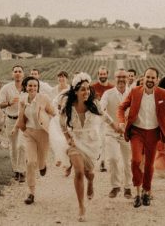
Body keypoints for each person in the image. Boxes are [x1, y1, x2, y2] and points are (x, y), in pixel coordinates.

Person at [117, 67, 165, 208]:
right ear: (143, 78)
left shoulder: (163, 93)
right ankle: (137, 192)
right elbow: (121, 107)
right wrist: (121, 122)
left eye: (152, 78)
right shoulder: (135, 92)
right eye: (147, 77)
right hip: (137, 132)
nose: (149, 80)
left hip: (153, 133)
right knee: (136, 160)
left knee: (149, 165)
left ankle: (146, 192)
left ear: (156, 79)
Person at [57, 73, 104, 222]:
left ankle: (90, 182)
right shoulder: (68, 106)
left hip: (90, 142)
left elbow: (105, 116)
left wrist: (116, 127)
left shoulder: (94, 104)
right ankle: (81, 206)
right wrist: (67, 138)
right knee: (78, 171)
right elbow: (61, 122)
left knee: (89, 173)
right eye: (83, 89)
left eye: (88, 89)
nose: (86, 92)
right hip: (75, 142)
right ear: (75, 91)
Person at [16, 76, 57, 205]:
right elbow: (20, 117)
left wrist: (57, 125)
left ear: (38, 87)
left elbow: (53, 112)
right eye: (30, 85)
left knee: (40, 162)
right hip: (29, 133)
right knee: (30, 162)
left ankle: (43, 165)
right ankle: (31, 192)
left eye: (35, 85)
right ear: (25, 87)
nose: (32, 88)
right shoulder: (22, 100)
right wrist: (16, 128)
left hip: (43, 133)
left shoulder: (43, 98)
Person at [99, 69, 133, 199]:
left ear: (127, 78)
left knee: (127, 161)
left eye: (123, 77)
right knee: (112, 158)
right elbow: (100, 109)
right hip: (111, 131)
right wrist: (113, 124)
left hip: (128, 132)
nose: (121, 79)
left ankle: (128, 187)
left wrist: (127, 126)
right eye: (119, 77)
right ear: (114, 78)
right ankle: (115, 186)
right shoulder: (108, 94)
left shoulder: (133, 93)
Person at [0, 65, 26, 182]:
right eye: (15, 71)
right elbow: (0, 104)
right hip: (10, 119)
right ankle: (16, 170)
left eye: (20, 71)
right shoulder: (6, 88)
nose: (18, 73)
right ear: (12, 74)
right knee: (14, 147)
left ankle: (22, 171)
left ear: (23, 74)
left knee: (22, 145)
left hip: (24, 120)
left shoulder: (27, 87)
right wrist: (9, 103)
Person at [91, 66, 114, 172]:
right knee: (97, 139)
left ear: (107, 74)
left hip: (107, 118)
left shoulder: (112, 88)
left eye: (104, 74)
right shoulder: (92, 87)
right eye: (101, 74)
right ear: (98, 75)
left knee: (104, 140)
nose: (102, 76)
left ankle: (103, 161)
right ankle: (96, 158)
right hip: (95, 118)